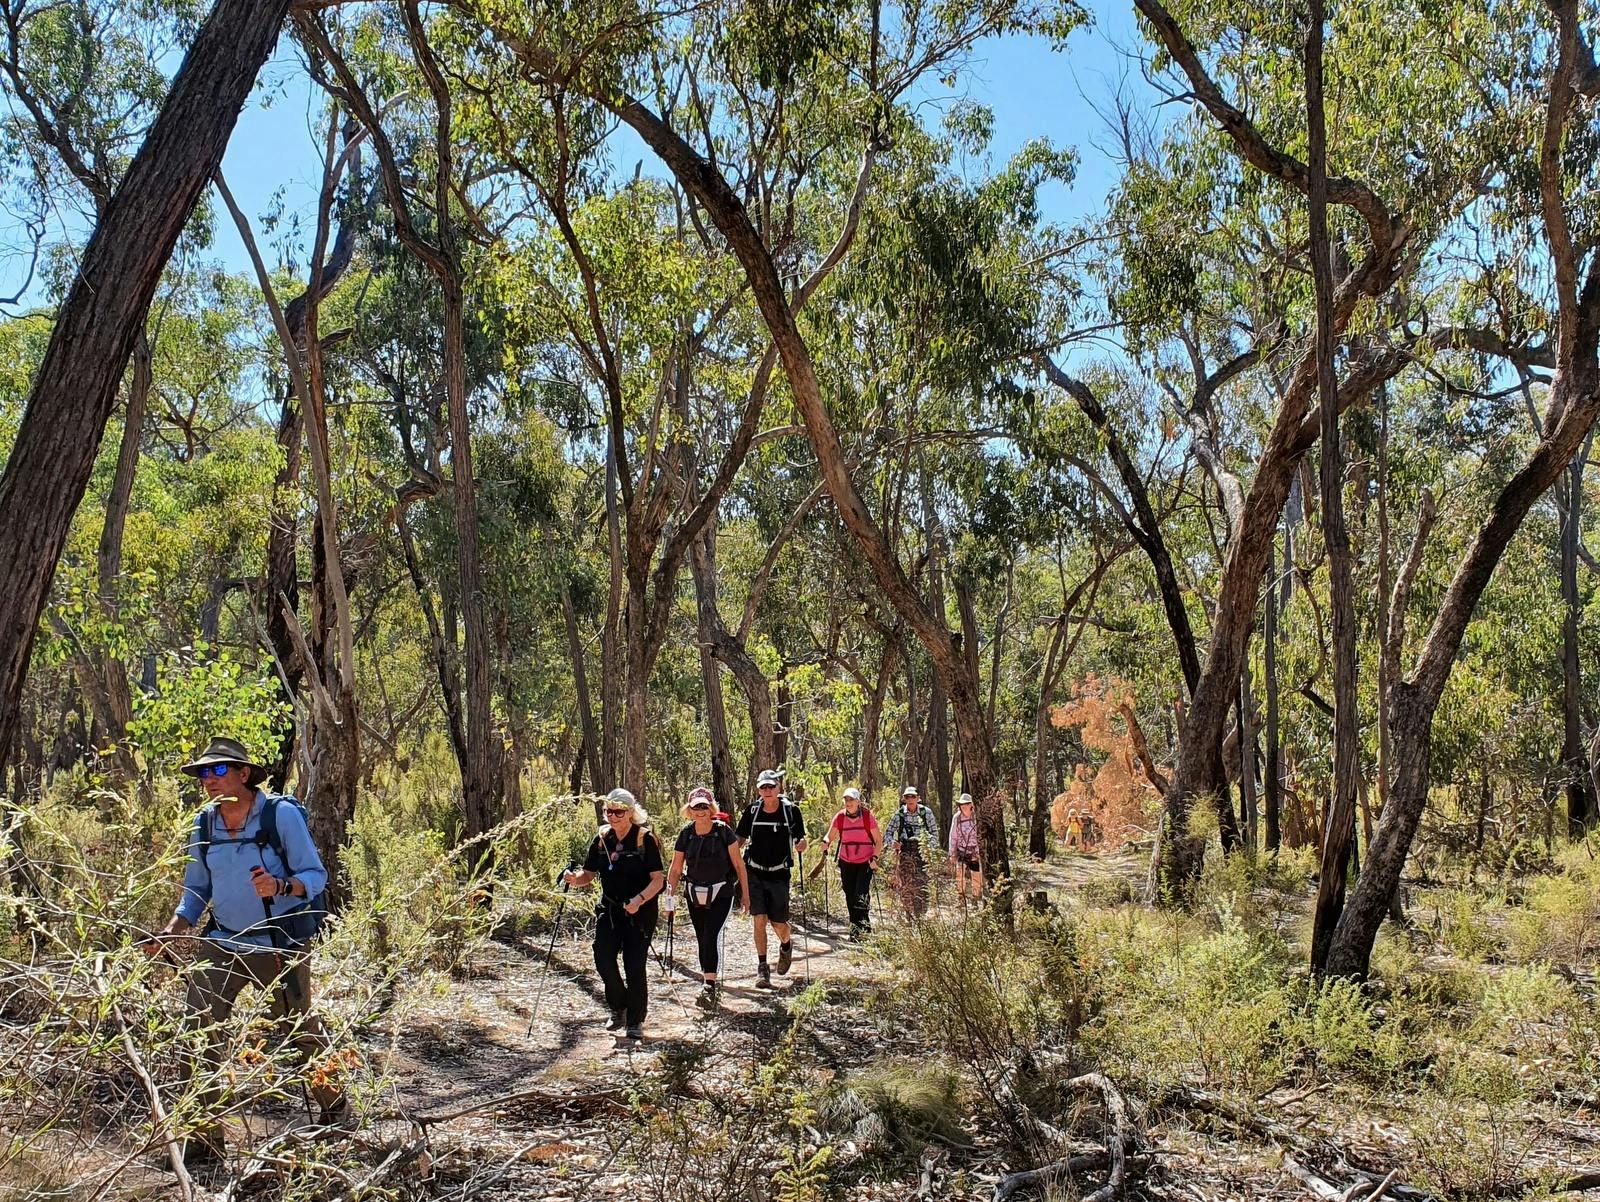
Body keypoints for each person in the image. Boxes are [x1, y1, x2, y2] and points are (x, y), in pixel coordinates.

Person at [140, 737, 345, 1164]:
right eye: (203, 773)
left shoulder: (279, 815)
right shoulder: (203, 825)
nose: (208, 780)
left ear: (243, 773)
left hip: (279, 943)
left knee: (296, 1031)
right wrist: (173, 929)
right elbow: (196, 892)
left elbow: (315, 874)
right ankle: (204, 1138)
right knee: (196, 1033)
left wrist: (282, 886)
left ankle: (336, 1109)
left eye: (217, 771)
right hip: (223, 942)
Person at [562, 788, 664, 1041]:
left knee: (634, 965)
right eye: (609, 810)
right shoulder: (602, 838)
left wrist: (639, 901)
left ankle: (635, 1020)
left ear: (630, 812)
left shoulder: (645, 839)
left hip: (640, 912)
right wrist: (574, 879)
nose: (613, 815)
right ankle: (619, 1007)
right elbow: (588, 874)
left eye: (619, 811)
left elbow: (658, 880)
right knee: (603, 957)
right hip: (609, 908)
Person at [667, 786, 749, 1011]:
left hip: (721, 893)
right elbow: (675, 869)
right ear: (690, 810)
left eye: (704, 806)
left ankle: (709, 985)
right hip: (694, 893)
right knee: (702, 936)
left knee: (710, 935)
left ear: (711, 808)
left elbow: (739, 865)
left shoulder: (724, 832)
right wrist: (669, 898)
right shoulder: (686, 834)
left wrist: (745, 895)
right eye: (696, 807)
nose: (701, 810)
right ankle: (708, 979)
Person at [735, 768, 807, 988]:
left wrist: (801, 844)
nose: (766, 790)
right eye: (762, 787)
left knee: (778, 923)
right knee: (759, 919)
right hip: (754, 871)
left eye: (771, 786)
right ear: (758, 789)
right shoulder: (752, 811)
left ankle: (786, 944)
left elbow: (800, 837)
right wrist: (727, 858)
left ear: (779, 788)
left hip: (779, 873)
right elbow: (739, 838)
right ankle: (763, 968)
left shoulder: (791, 811)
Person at [811, 786, 882, 937]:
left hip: (865, 861)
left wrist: (875, 857)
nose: (848, 802)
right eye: (846, 799)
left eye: (851, 799)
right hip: (846, 861)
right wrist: (826, 842)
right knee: (849, 894)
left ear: (858, 801)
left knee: (861, 894)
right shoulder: (840, 817)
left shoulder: (867, 816)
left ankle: (863, 926)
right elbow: (830, 835)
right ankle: (855, 928)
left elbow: (878, 840)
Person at [883, 784, 939, 918]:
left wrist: (927, 848)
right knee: (905, 883)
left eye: (913, 796)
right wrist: (893, 844)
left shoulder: (926, 813)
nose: (910, 799)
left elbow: (935, 834)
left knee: (922, 882)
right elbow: (887, 833)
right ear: (904, 799)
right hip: (905, 853)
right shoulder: (899, 814)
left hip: (922, 852)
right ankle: (908, 913)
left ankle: (921, 914)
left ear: (918, 798)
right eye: (907, 797)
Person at [948, 792, 983, 902]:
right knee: (959, 874)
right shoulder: (957, 818)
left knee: (976, 875)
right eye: (962, 804)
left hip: (974, 851)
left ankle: (975, 897)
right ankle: (961, 897)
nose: (964, 806)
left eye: (966, 804)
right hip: (961, 850)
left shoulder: (976, 816)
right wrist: (952, 853)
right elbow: (953, 836)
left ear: (971, 805)